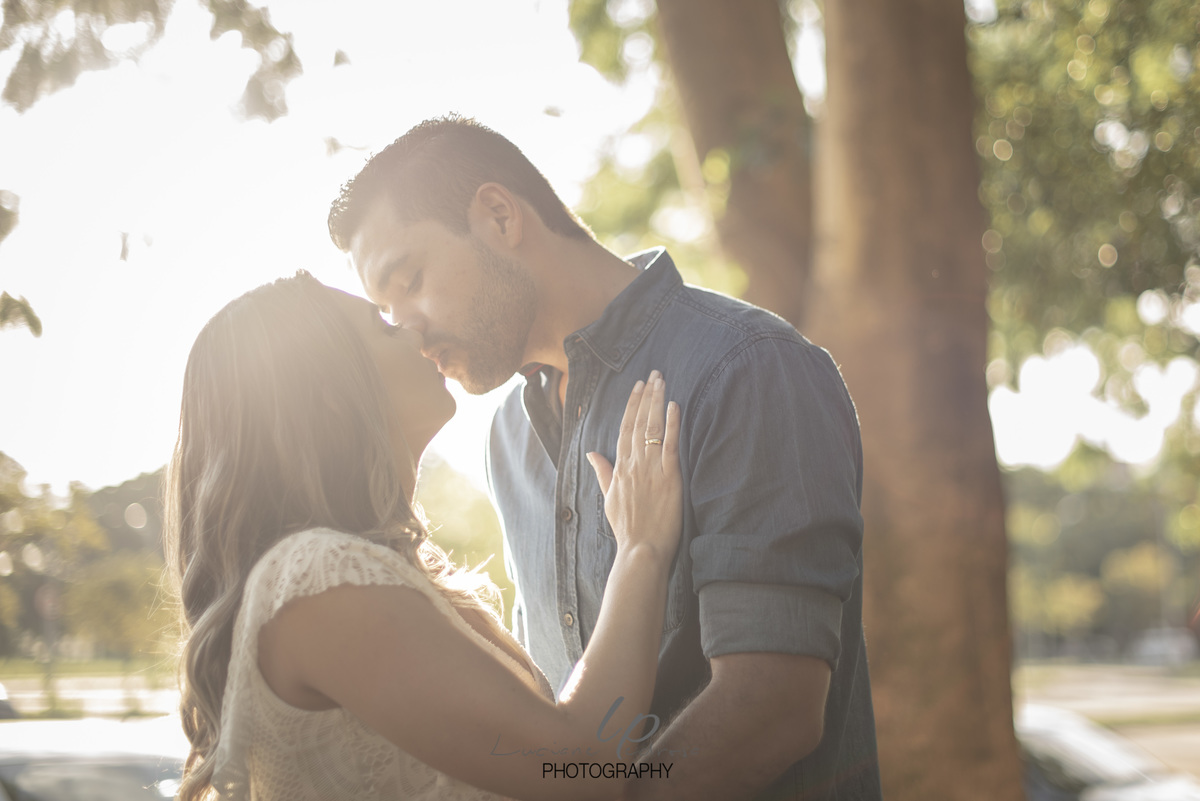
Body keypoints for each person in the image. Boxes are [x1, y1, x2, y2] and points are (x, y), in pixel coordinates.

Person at [327, 115, 882, 800]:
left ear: (499, 215)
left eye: (410, 279)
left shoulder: (746, 369)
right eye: (387, 311)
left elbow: (775, 706)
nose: (409, 332)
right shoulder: (508, 438)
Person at [164, 270, 685, 801]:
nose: (413, 330)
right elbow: (580, 769)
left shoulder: (388, 570)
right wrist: (640, 549)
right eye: (384, 327)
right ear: (330, 394)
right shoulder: (316, 577)